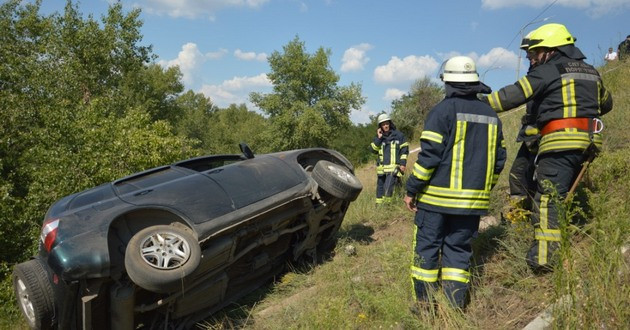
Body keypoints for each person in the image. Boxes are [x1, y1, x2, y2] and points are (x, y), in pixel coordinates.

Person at [483, 23, 613, 272]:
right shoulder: (592, 72)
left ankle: (544, 260)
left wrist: (478, 104)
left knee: (549, 199)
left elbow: (513, 95)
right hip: (589, 143)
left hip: (560, 142)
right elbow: (606, 103)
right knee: (562, 194)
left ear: (550, 49)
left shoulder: (548, 71)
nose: (532, 57)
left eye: (535, 52)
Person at [404, 56, 506, 309]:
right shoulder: (491, 115)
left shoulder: (442, 111)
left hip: (435, 202)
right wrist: (483, 189)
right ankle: (455, 307)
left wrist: (412, 188)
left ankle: (425, 305)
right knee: (458, 253)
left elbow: (429, 157)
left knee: (427, 249)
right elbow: (499, 160)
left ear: (447, 81)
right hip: (471, 204)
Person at [506, 32, 539, 215]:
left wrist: (483, 106)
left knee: (539, 180)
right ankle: (519, 218)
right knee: (517, 176)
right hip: (530, 137)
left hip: (547, 138)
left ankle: (529, 217)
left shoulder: (546, 74)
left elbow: (512, 96)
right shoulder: (536, 72)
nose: (528, 57)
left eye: (531, 52)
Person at [370, 113, 409, 204]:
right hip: (381, 170)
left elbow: (404, 150)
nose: (385, 126)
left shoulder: (399, 136)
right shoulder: (379, 138)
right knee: (380, 190)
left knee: (387, 190)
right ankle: (379, 207)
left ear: (390, 123)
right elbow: (373, 150)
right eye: (383, 124)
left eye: (387, 123)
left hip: (393, 169)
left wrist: (403, 164)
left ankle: (387, 206)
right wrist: (379, 138)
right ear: (380, 126)